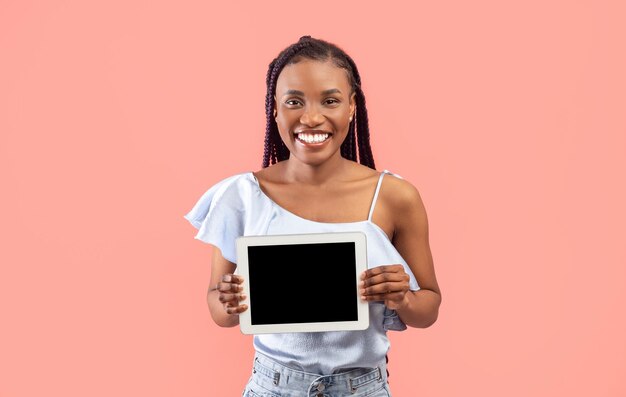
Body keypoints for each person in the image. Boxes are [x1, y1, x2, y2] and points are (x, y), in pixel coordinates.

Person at [184, 35, 441, 397]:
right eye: (294, 101)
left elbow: (428, 309)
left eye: (330, 101)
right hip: (272, 386)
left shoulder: (394, 197)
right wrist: (228, 302)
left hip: (362, 387)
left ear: (352, 107)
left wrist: (404, 299)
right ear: (274, 109)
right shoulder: (241, 196)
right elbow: (218, 307)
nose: (312, 117)